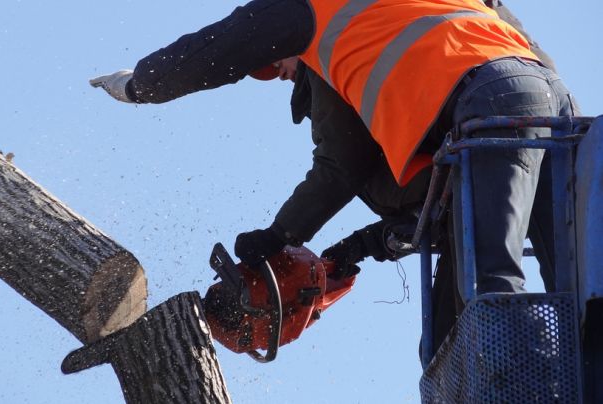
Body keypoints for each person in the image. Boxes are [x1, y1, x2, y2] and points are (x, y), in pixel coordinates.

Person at [91, 0, 578, 337]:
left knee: (488, 283)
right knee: (571, 290)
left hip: (488, 102)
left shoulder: (314, 18)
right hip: (552, 106)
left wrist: (140, 84)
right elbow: (436, 203)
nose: (276, 73)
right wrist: (361, 246)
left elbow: (219, 49)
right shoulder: (391, 29)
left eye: (271, 64)